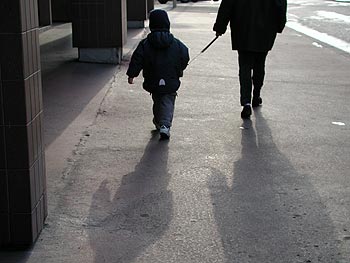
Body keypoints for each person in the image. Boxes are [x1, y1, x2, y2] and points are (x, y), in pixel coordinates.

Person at [213, 0, 287, 118]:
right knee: (260, 64)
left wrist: (220, 27)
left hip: (243, 29)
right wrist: (280, 25)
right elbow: (280, 5)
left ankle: (246, 103)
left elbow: (227, 5)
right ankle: (256, 95)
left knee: (244, 67)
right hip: (266, 29)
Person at [127, 9, 189, 139]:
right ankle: (165, 125)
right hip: (171, 78)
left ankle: (159, 122)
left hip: (152, 78)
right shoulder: (176, 43)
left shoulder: (145, 43)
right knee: (167, 100)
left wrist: (132, 74)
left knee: (157, 100)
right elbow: (184, 55)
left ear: (152, 25)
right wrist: (180, 68)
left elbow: (137, 59)